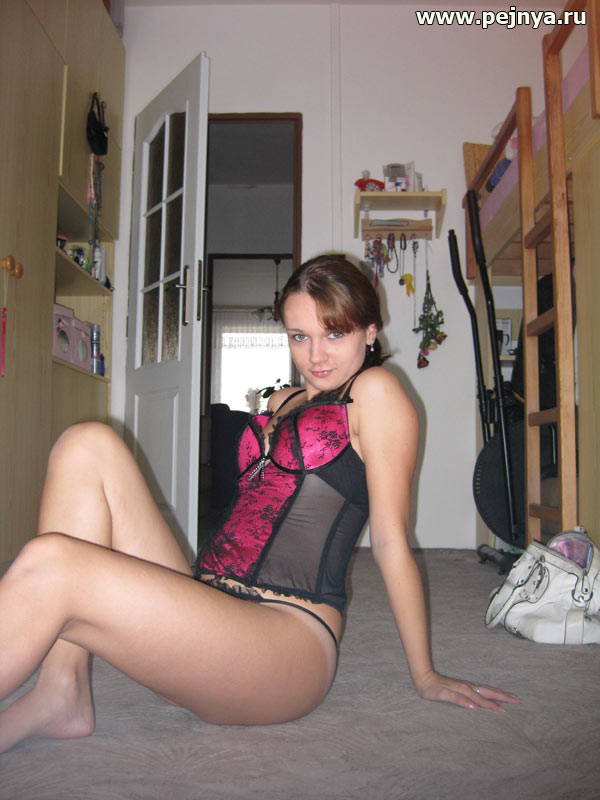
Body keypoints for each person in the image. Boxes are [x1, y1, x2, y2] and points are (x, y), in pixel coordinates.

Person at [0, 254, 519, 754]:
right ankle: (61, 687)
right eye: (300, 336)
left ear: (369, 331)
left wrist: (425, 675)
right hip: (207, 617)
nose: (316, 356)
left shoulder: (377, 392)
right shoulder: (284, 401)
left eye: (335, 334)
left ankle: (59, 694)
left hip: (285, 643)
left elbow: (389, 540)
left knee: (53, 563)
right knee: (85, 443)